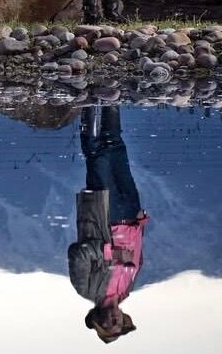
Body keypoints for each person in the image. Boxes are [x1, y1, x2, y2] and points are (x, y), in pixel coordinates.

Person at [67, 101, 148, 344]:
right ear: (124, 319)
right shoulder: (127, 290)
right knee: (117, 148)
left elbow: (77, 254)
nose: (114, 321)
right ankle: (113, 98)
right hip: (131, 213)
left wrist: (106, 251)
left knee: (97, 155)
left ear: (98, 321)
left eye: (108, 325)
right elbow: (136, 257)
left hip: (105, 216)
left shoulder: (86, 289)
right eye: (119, 324)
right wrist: (140, 226)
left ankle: (89, 102)